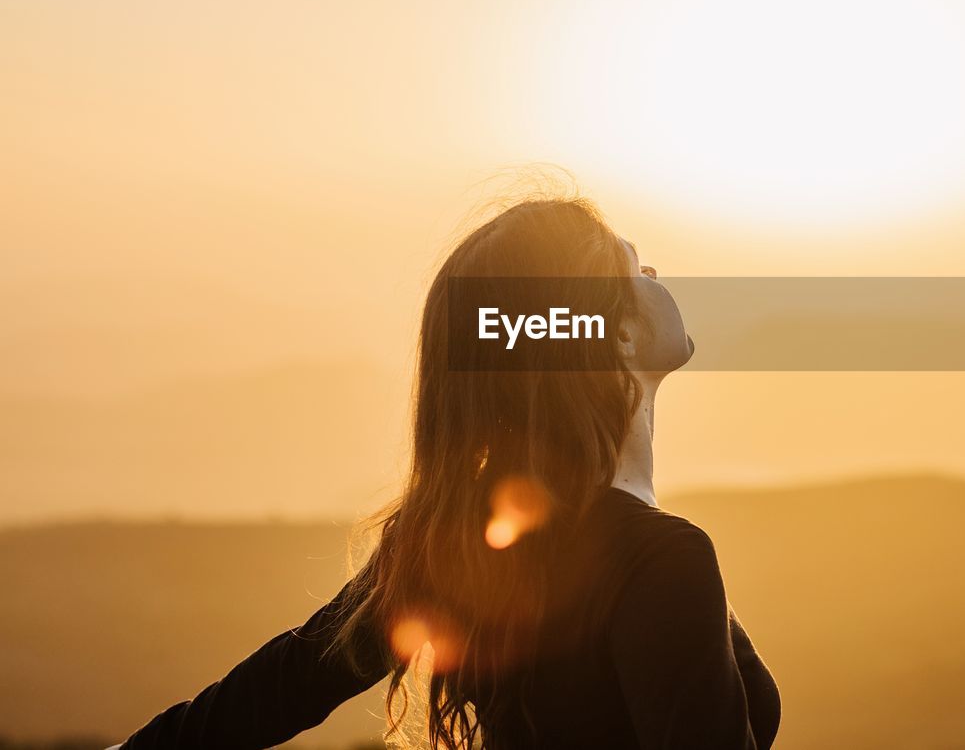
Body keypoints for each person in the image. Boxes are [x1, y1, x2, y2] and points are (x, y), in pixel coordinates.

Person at [114, 194, 781, 749]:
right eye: (638, 269)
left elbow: (274, 690)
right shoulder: (664, 560)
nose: (658, 275)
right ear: (619, 338)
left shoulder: (466, 538)